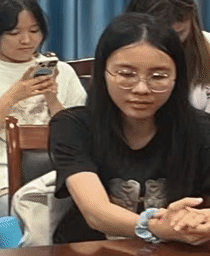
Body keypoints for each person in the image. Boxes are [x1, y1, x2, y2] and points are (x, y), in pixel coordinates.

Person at [49, 13, 210, 244]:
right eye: (126, 74)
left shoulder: (202, 130)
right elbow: (95, 213)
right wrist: (156, 227)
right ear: (103, 72)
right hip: (89, 254)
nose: (141, 89)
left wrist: (201, 221)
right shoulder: (72, 126)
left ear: (177, 78)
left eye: (158, 76)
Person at [0, 0, 87, 222]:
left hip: (57, 175)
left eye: (34, 31)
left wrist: (52, 99)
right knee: (29, 218)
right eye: (14, 33)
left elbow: (80, 139)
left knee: (92, 212)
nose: (27, 40)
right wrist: (12, 96)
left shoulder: (62, 72)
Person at [125, 0, 210, 112]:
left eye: (179, 33)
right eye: (161, 35)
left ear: (192, 24)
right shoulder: (119, 54)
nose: (171, 43)